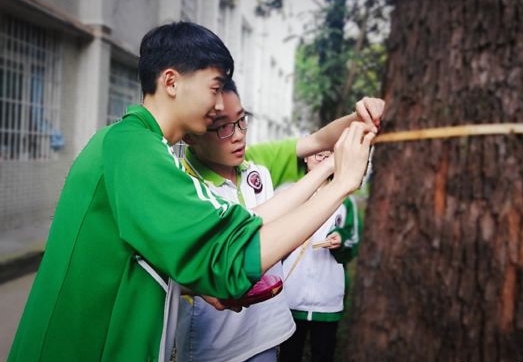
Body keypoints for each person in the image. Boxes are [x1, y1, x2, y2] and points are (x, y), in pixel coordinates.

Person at [8, 22, 374, 362]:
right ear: (171, 81)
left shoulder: (141, 147)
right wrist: (341, 183)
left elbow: (239, 226)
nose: (219, 106)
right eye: (215, 88)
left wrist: (331, 167)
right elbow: (230, 256)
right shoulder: (134, 148)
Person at [176, 80, 384, 362]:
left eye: (242, 121)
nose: (238, 136)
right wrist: (340, 179)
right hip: (212, 345)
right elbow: (224, 248)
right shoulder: (180, 186)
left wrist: (359, 120)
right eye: (223, 127)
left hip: (266, 332)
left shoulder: (256, 165)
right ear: (191, 133)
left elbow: (318, 140)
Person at [279, 152, 362, 362]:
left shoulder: (344, 199)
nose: (323, 154)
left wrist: (340, 239)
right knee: (289, 354)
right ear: (305, 157)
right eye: (317, 151)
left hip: (327, 297)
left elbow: (353, 242)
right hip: (291, 293)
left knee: (323, 354)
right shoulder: (288, 194)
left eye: (329, 152)